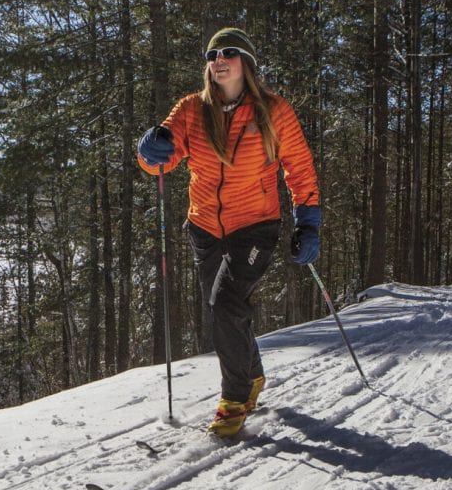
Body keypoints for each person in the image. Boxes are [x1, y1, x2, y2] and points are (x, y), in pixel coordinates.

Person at [137, 27, 321, 437]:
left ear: (247, 62)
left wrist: (308, 222)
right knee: (227, 310)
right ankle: (252, 375)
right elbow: (161, 159)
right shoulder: (190, 109)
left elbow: (300, 169)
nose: (218, 59)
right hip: (203, 226)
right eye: (211, 54)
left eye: (229, 52)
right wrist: (150, 151)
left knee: (225, 304)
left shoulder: (274, 111)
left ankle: (234, 397)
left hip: (255, 226)